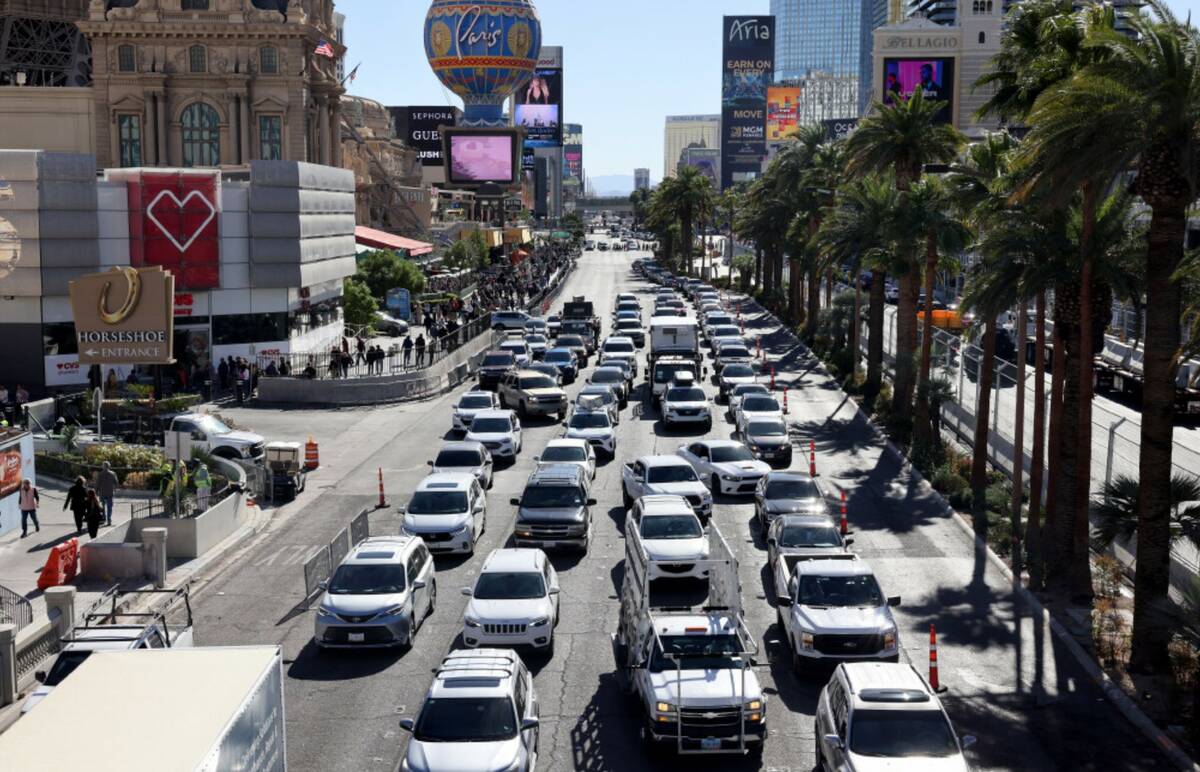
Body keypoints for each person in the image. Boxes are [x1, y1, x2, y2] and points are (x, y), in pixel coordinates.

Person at [96, 460, 118, 526]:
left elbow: (97, 484)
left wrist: (96, 491)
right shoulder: (113, 473)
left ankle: (104, 518)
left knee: (103, 506)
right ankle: (109, 520)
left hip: (102, 493)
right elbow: (116, 482)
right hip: (110, 493)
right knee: (109, 507)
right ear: (109, 466)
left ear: (103, 466)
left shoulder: (100, 474)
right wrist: (114, 488)